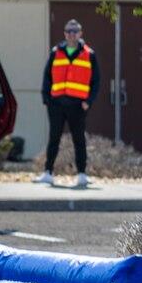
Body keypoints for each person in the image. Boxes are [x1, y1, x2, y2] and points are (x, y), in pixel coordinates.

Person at [38, 20, 96, 189]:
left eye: (75, 31)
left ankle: (82, 174)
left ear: (80, 33)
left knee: (79, 139)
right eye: (69, 31)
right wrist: (46, 99)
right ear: (64, 33)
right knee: (54, 138)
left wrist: (89, 101)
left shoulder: (89, 54)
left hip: (78, 105)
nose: (72, 34)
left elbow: (96, 80)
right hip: (56, 104)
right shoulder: (56, 52)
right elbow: (47, 77)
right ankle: (48, 172)